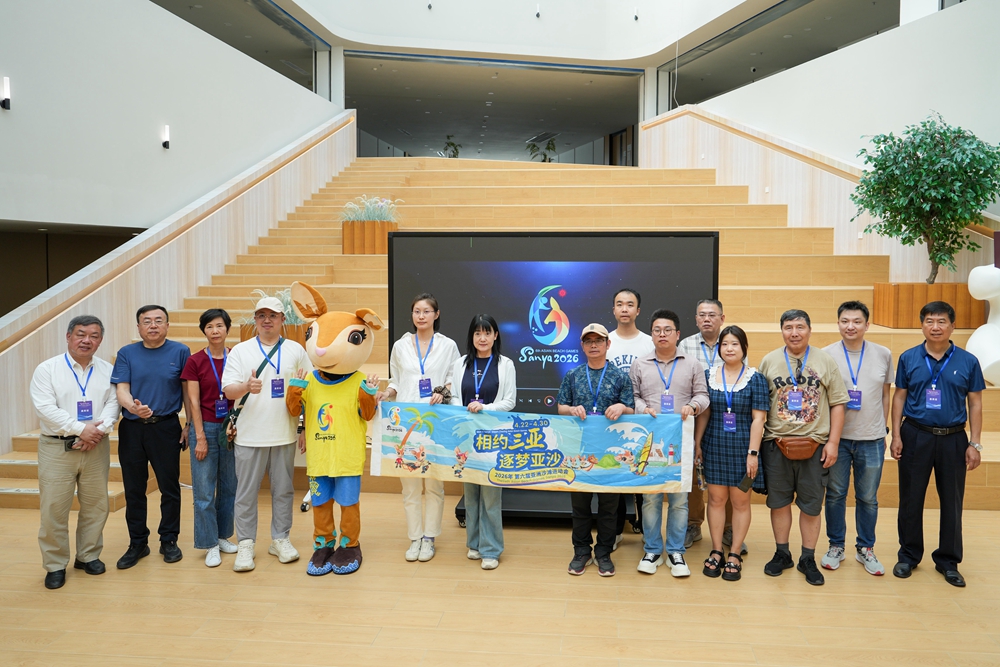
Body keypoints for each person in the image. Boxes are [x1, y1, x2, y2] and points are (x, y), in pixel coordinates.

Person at [891, 301, 984, 588]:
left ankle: (948, 561)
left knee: (952, 501)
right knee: (910, 498)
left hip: (954, 438)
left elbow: (975, 403)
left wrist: (975, 443)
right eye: (929, 321)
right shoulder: (909, 358)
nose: (935, 327)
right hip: (915, 434)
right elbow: (899, 397)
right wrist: (896, 436)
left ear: (952, 326)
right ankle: (908, 555)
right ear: (922, 325)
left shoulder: (968, 361)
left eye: (941, 321)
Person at [221, 296, 311, 572]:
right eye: (261, 315)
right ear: (255, 320)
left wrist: (303, 427)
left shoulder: (296, 350)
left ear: (283, 319)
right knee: (246, 493)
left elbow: (308, 391)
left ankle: (280, 539)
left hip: (284, 433)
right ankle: (246, 543)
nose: (267, 320)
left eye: (272, 315)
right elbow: (228, 391)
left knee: (283, 490)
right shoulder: (240, 351)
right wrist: (246, 387)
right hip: (249, 434)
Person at [758, 309, 848, 586]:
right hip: (777, 444)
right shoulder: (769, 361)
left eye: (800, 327)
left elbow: (838, 403)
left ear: (810, 330)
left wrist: (833, 443)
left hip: (815, 446)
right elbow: (760, 406)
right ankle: (782, 553)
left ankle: (807, 557)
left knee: (811, 506)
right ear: (781, 331)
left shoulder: (825, 360)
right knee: (779, 503)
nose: (794, 333)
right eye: (788, 327)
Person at [30, 315, 120, 590]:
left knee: (96, 505)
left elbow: (113, 404)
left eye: (94, 336)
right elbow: (45, 408)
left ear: (100, 340)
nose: (86, 340)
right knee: (54, 509)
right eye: (81, 334)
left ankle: (88, 555)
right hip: (57, 447)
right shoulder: (47, 369)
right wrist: (81, 429)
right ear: (68, 336)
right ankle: (55, 564)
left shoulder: (107, 370)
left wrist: (97, 432)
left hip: (96, 446)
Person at [378, 293, 460, 562]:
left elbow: (454, 379)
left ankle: (429, 538)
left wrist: (442, 391)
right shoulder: (400, 346)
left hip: (435, 422)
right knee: (410, 486)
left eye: (426, 311)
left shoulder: (448, 346)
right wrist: (386, 393)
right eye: (416, 311)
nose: (421, 316)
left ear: (436, 314)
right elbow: (396, 380)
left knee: (434, 484)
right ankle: (414, 538)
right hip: (406, 425)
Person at [629, 309, 708, 577]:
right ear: (651, 334)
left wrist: (692, 406)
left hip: (680, 440)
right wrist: (642, 408)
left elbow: (703, 395)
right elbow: (633, 397)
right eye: (657, 330)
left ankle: (675, 551)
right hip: (650, 442)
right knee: (650, 498)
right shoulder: (640, 364)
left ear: (677, 334)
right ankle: (652, 549)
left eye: (667, 330)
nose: (662, 334)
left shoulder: (692, 364)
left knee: (679, 499)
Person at [112, 305, 190, 569]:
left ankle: (169, 539)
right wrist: (133, 407)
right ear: (138, 327)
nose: (153, 325)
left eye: (158, 320)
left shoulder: (180, 351)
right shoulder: (127, 353)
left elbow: (187, 392)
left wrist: (189, 424)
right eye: (147, 321)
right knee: (134, 488)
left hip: (166, 427)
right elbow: (122, 389)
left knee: (169, 487)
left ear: (167, 325)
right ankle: (137, 542)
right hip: (132, 428)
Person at [820, 301, 893, 575]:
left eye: (857, 321)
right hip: (837, 439)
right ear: (838, 323)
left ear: (867, 325)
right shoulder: (826, 355)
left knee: (868, 497)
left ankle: (866, 548)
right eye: (845, 321)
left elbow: (885, 394)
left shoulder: (883, 354)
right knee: (835, 495)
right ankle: (835, 545)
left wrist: (883, 429)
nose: (850, 326)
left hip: (872, 439)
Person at [558, 323, 635, 577]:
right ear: (582, 345)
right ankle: (581, 551)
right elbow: (561, 407)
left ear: (607, 344)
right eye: (588, 341)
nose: (594, 345)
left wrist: (622, 408)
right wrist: (572, 410)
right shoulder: (573, 375)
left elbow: (632, 409)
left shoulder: (620, 376)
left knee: (609, 507)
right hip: (579, 450)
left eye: (598, 340)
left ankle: (603, 552)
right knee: (580, 505)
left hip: (610, 452)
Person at [693, 325, 768, 581]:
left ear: (744, 347)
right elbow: (705, 414)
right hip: (714, 445)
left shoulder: (755, 378)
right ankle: (716, 550)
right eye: (725, 344)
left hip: (743, 448)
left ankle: (734, 553)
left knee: (740, 502)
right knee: (715, 500)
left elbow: (759, 419)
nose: (729, 348)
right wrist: (698, 443)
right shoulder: (708, 375)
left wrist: (753, 453)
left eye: (735, 344)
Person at [450, 314, 517, 570]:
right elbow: (454, 397)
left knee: (490, 495)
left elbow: (509, 401)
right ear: (472, 336)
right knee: (471, 493)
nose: (482, 338)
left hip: (493, 437)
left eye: (487, 333)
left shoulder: (505, 364)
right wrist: (464, 410)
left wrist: (484, 407)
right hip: (467, 436)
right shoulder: (460, 363)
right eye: (477, 333)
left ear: (495, 336)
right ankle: (475, 543)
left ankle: (491, 549)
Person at [180, 308, 238, 568]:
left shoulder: (236, 356)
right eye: (210, 327)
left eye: (219, 326)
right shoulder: (195, 361)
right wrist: (200, 437)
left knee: (229, 486)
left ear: (227, 329)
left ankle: (222, 536)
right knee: (204, 490)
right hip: (204, 426)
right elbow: (193, 402)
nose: (215, 331)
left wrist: (235, 423)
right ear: (204, 331)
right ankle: (209, 543)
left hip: (231, 427)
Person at [678, 299, 732, 550]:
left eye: (712, 314)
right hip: (694, 416)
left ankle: (729, 529)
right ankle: (693, 524)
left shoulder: (731, 342)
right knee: (693, 473)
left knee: (727, 474)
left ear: (722, 318)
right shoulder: (685, 345)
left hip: (725, 417)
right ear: (696, 319)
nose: (707, 319)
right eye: (702, 315)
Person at [607, 288, 654, 542]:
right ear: (613, 310)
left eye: (629, 304)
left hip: (642, 417)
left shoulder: (649, 342)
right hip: (612, 418)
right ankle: (615, 532)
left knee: (642, 474)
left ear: (638, 310)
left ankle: (648, 533)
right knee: (615, 474)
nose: (624, 309)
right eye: (619, 304)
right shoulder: (605, 340)